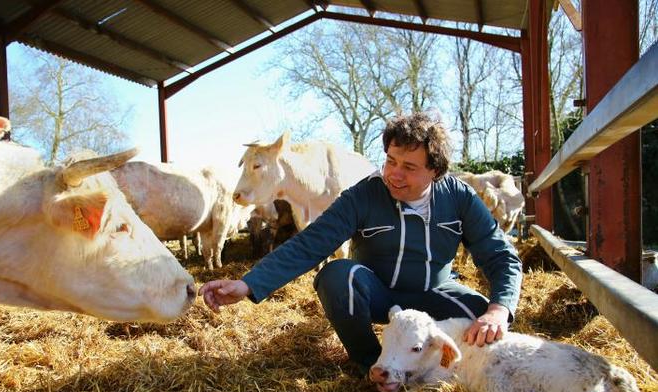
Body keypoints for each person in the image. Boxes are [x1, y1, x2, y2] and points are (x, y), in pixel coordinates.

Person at [200, 111, 522, 376]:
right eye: (390, 161)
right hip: (377, 294)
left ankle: (444, 371)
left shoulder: (459, 197)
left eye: (408, 167)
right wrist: (249, 284)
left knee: (485, 316)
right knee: (337, 277)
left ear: (435, 171)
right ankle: (372, 365)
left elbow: (501, 256)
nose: (394, 174)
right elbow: (311, 242)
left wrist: (498, 309)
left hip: (433, 293)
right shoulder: (364, 194)